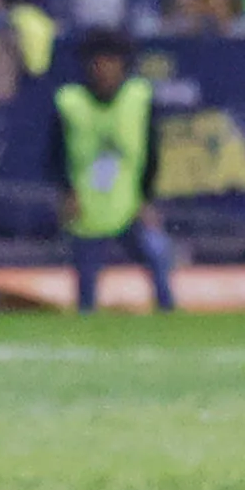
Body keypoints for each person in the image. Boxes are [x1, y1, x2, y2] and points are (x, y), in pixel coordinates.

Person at [51, 29, 174, 314]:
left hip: (129, 205)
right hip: (87, 209)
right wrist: (67, 192)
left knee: (158, 259)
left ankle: (169, 315)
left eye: (110, 62)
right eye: (98, 62)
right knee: (86, 289)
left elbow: (152, 151)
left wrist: (147, 199)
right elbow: (55, 155)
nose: (104, 70)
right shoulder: (70, 102)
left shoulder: (138, 98)